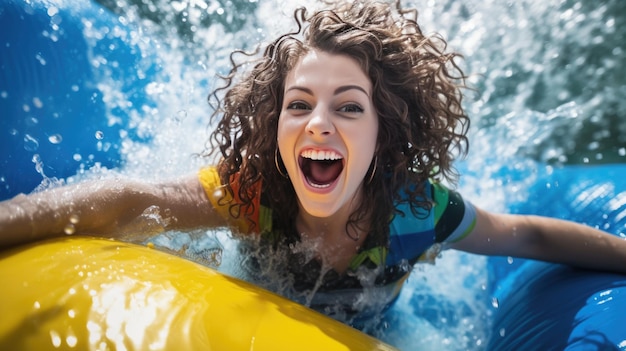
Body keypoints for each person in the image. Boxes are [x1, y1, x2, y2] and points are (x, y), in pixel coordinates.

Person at [1, 0, 625, 328]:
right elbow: (130, 200)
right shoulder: (257, 192)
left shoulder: (415, 210)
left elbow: (526, 233)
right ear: (274, 123)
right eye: (298, 105)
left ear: (388, 133)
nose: (318, 122)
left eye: (349, 108)